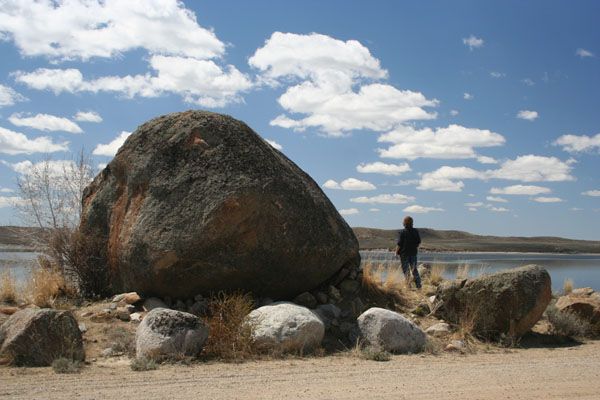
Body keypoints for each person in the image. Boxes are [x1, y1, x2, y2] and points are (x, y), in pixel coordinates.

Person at [395, 216, 422, 289]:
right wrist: (414, 247)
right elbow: (418, 242)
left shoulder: (402, 232)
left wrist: (396, 252)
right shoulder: (415, 231)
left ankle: (408, 286)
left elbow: (399, 244)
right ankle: (419, 286)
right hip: (413, 253)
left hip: (404, 254)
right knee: (414, 270)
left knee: (406, 270)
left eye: (403, 221)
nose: (403, 222)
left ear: (405, 223)